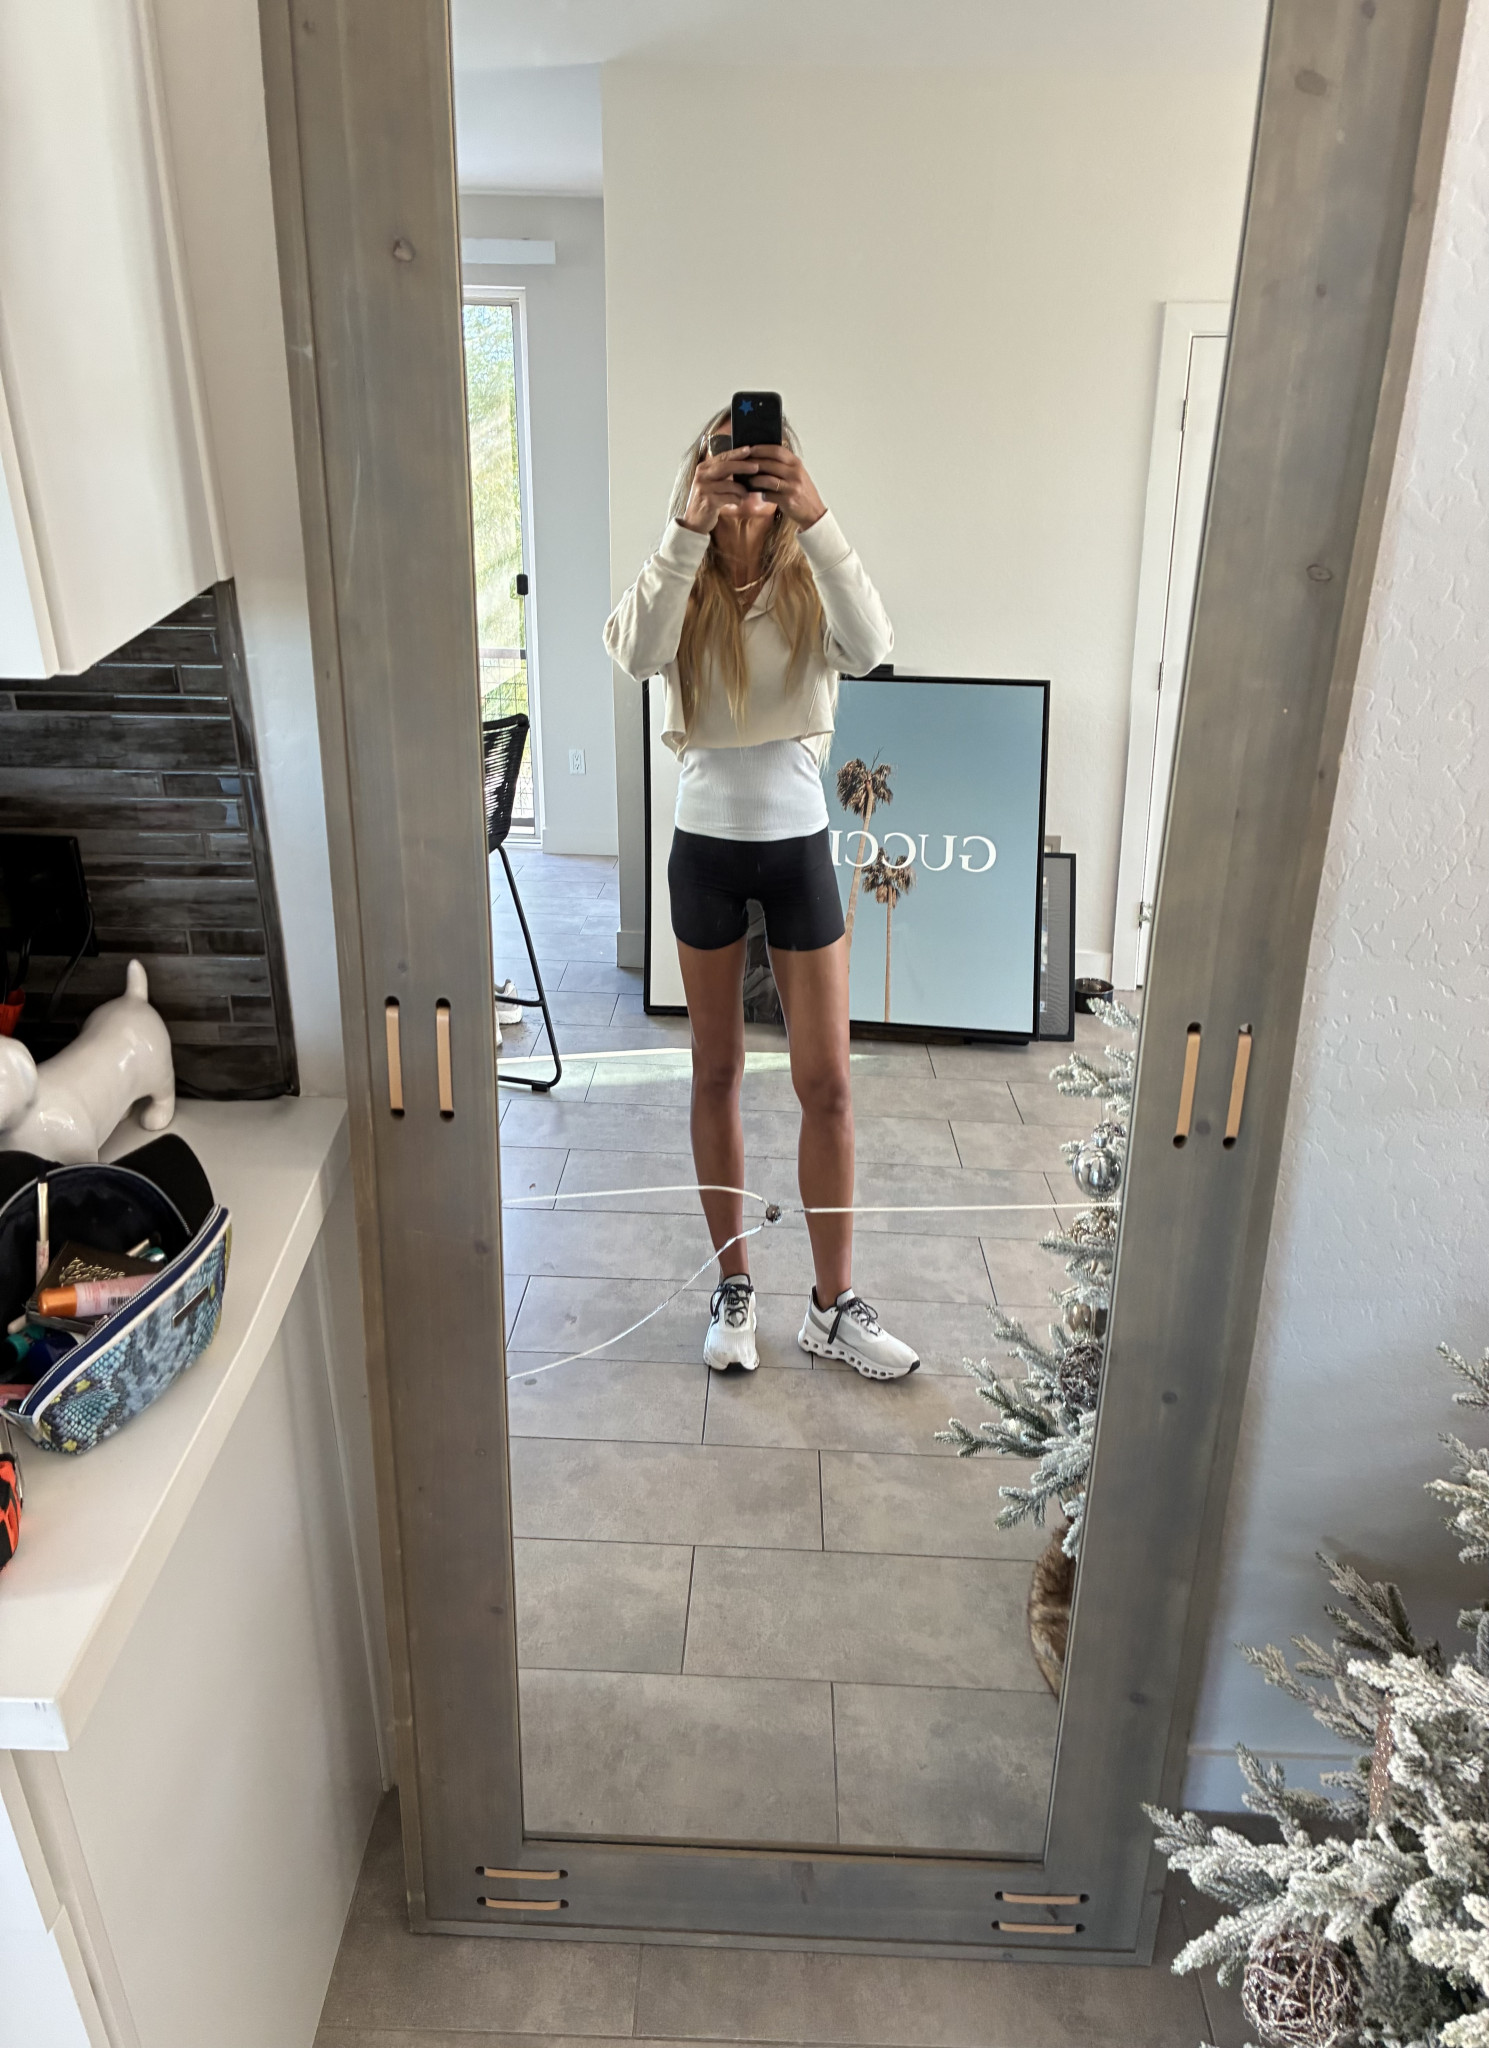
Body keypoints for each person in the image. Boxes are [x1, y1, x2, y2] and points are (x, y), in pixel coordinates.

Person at [604, 409, 919, 1381]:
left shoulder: (808, 578)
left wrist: (816, 515)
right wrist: (684, 528)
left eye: (763, 464)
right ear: (699, 471)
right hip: (703, 853)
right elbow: (633, 653)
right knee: (715, 1072)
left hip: (798, 854)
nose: (745, 479)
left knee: (828, 1084)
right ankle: (732, 1285)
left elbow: (872, 646)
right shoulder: (679, 576)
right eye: (726, 460)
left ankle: (832, 1306)